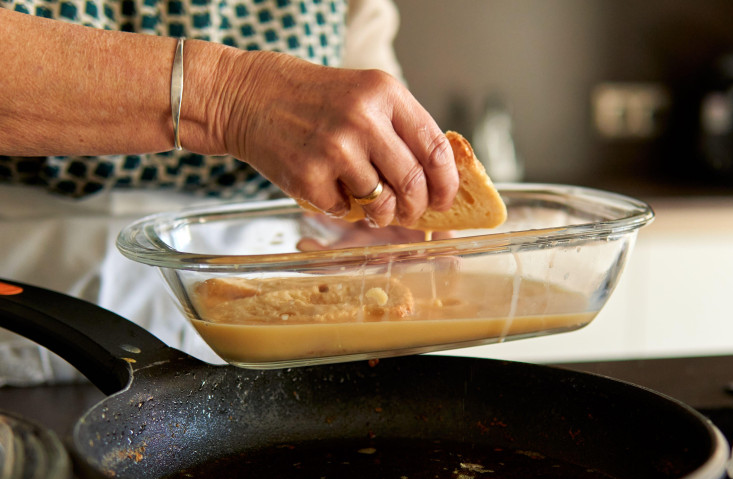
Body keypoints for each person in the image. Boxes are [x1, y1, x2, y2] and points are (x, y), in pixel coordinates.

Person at [0, 0, 460, 385]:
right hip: (27, 307)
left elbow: (358, 71)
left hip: (264, 318)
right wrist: (228, 94)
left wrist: (368, 209)